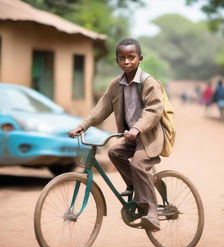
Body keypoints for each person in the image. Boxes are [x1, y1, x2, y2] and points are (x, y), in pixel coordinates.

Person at [68, 38, 169, 232]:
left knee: (139, 163)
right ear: (117, 61)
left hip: (149, 137)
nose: (127, 62)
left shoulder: (149, 83)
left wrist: (137, 128)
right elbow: (102, 107)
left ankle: (153, 214)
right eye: (122, 58)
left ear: (140, 58)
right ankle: (136, 186)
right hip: (130, 137)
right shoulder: (116, 85)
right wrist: (83, 125)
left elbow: (154, 111)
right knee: (114, 152)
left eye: (131, 57)